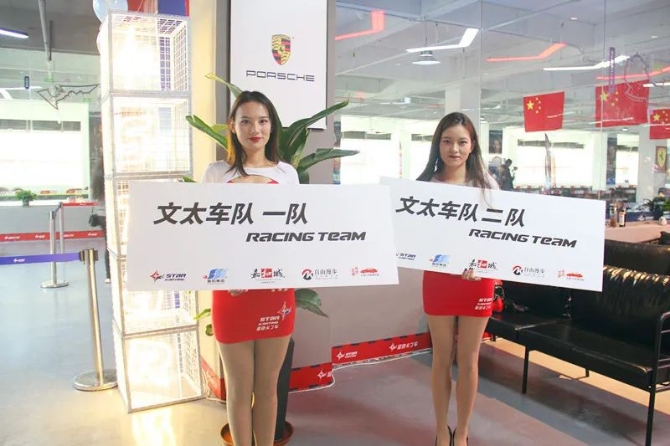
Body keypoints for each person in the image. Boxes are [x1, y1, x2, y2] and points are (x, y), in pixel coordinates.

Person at [201, 91, 299, 446]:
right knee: (239, 388)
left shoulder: (287, 174)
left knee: (268, 387)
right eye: (245, 121)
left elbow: (296, 233)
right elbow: (205, 233)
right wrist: (226, 272)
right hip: (232, 293)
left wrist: (287, 270)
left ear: (272, 127)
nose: (255, 129)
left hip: (276, 292)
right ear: (233, 126)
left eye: (262, 121)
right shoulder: (216, 174)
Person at [416, 112, 499, 446]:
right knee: (441, 358)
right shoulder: (424, 186)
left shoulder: (486, 186)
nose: (454, 149)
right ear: (438, 144)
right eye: (447, 141)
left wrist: (482, 262)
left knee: (469, 359)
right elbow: (415, 237)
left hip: (477, 281)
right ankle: (441, 430)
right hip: (439, 279)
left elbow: (497, 237)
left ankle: (462, 432)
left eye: (462, 142)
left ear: (472, 145)